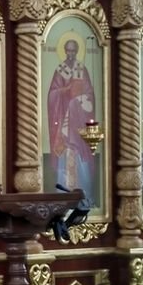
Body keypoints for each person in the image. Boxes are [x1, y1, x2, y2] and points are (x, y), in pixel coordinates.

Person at [47, 37, 97, 201]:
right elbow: (52, 95)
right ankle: (64, 197)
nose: (71, 53)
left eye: (73, 50)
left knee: (80, 156)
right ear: (64, 51)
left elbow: (90, 94)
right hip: (64, 122)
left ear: (77, 51)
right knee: (65, 155)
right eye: (68, 50)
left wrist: (80, 100)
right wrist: (64, 90)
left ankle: (84, 195)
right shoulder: (60, 70)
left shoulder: (82, 69)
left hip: (78, 122)